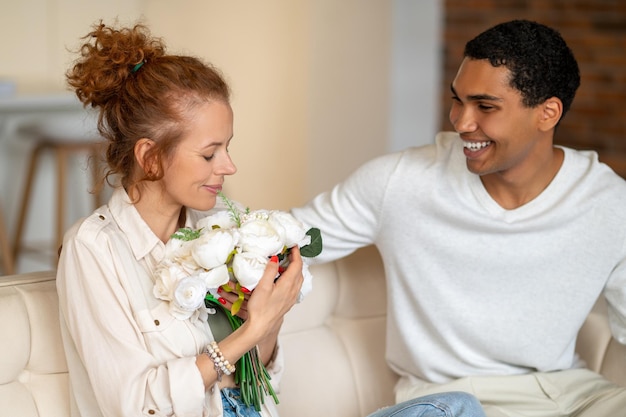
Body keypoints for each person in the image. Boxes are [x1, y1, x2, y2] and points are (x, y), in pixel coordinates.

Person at [56, 21, 485, 417]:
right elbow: (133, 406)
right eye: (209, 153)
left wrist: (272, 318)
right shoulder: (94, 250)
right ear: (150, 157)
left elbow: (256, 391)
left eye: (227, 148)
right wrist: (252, 328)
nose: (228, 166)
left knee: (454, 407)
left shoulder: (221, 228)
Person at [291, 19, 626, 417]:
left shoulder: (610, 203)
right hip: (452, 400)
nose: (461, 122)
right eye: (458, 100)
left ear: (547, 113)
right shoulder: (400, 181)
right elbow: (283, 238)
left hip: (575, 396)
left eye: (485, 106)